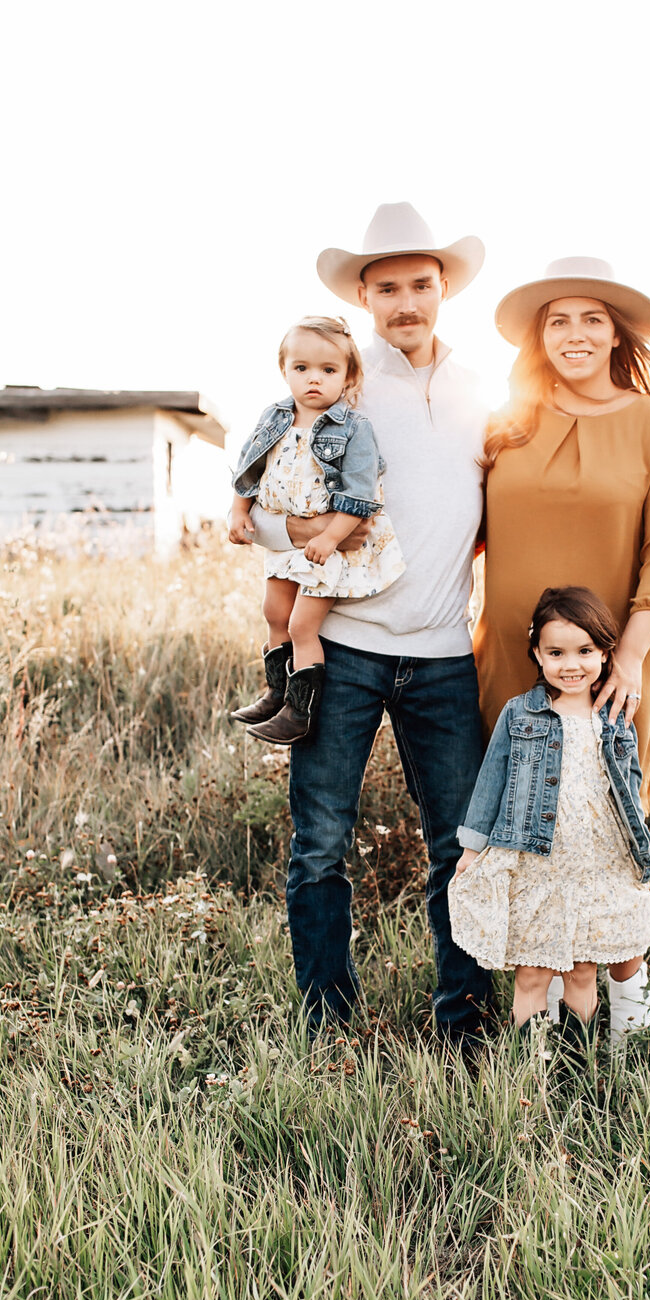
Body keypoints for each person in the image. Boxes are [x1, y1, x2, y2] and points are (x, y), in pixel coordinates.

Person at [248, 203, 494, 1047]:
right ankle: (327, 1026)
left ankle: (463, 1024)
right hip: (344, 647)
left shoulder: (483, 395)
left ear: (442, 291)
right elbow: (272, 502)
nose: (405, 302)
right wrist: (292, 538)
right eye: (386, 287)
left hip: (444, 657)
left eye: (420, 285)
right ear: (364, 295)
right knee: (319, 844)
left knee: (460, 847)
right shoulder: (341, 387)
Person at [473, 258, 650, 1041]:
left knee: (609, 831)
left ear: (615, 333)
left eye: (592, 319)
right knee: (525, 831)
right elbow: (453, 529)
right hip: (508, 663)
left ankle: (627, 1007)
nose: (575, 334)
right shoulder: (506, 421)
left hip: (613, 668)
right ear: (540, 335)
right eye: (558, 320)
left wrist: (629, 658)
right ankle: (532, 1014)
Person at [450, 586, 650, 1055]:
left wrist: (645, 863)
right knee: (532, 970)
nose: (572, 664)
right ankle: (533, 1070)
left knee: (583, 968)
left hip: (597, 859)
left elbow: (630, 793)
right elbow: (491, 783)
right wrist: (470, 852)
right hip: (538, 861)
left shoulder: (613, 717)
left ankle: (579, 1064)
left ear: (607, 654)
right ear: (537, 654)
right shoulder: (520, 714)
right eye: (557, 652)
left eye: (586, 651)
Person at [227, 316, 404, 745]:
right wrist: (238, 511)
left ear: (348, 375)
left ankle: (299, 711)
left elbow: (360, 499)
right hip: (285, 548)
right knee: (274, 615)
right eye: (301, 368)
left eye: (328, 370)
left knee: (302, 626)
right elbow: (249, 470)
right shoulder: (274, 418)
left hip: (329, 551)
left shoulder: (353, 429)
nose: (313, 379)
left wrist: (329, 537)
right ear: (285, 370)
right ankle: (275, 691)